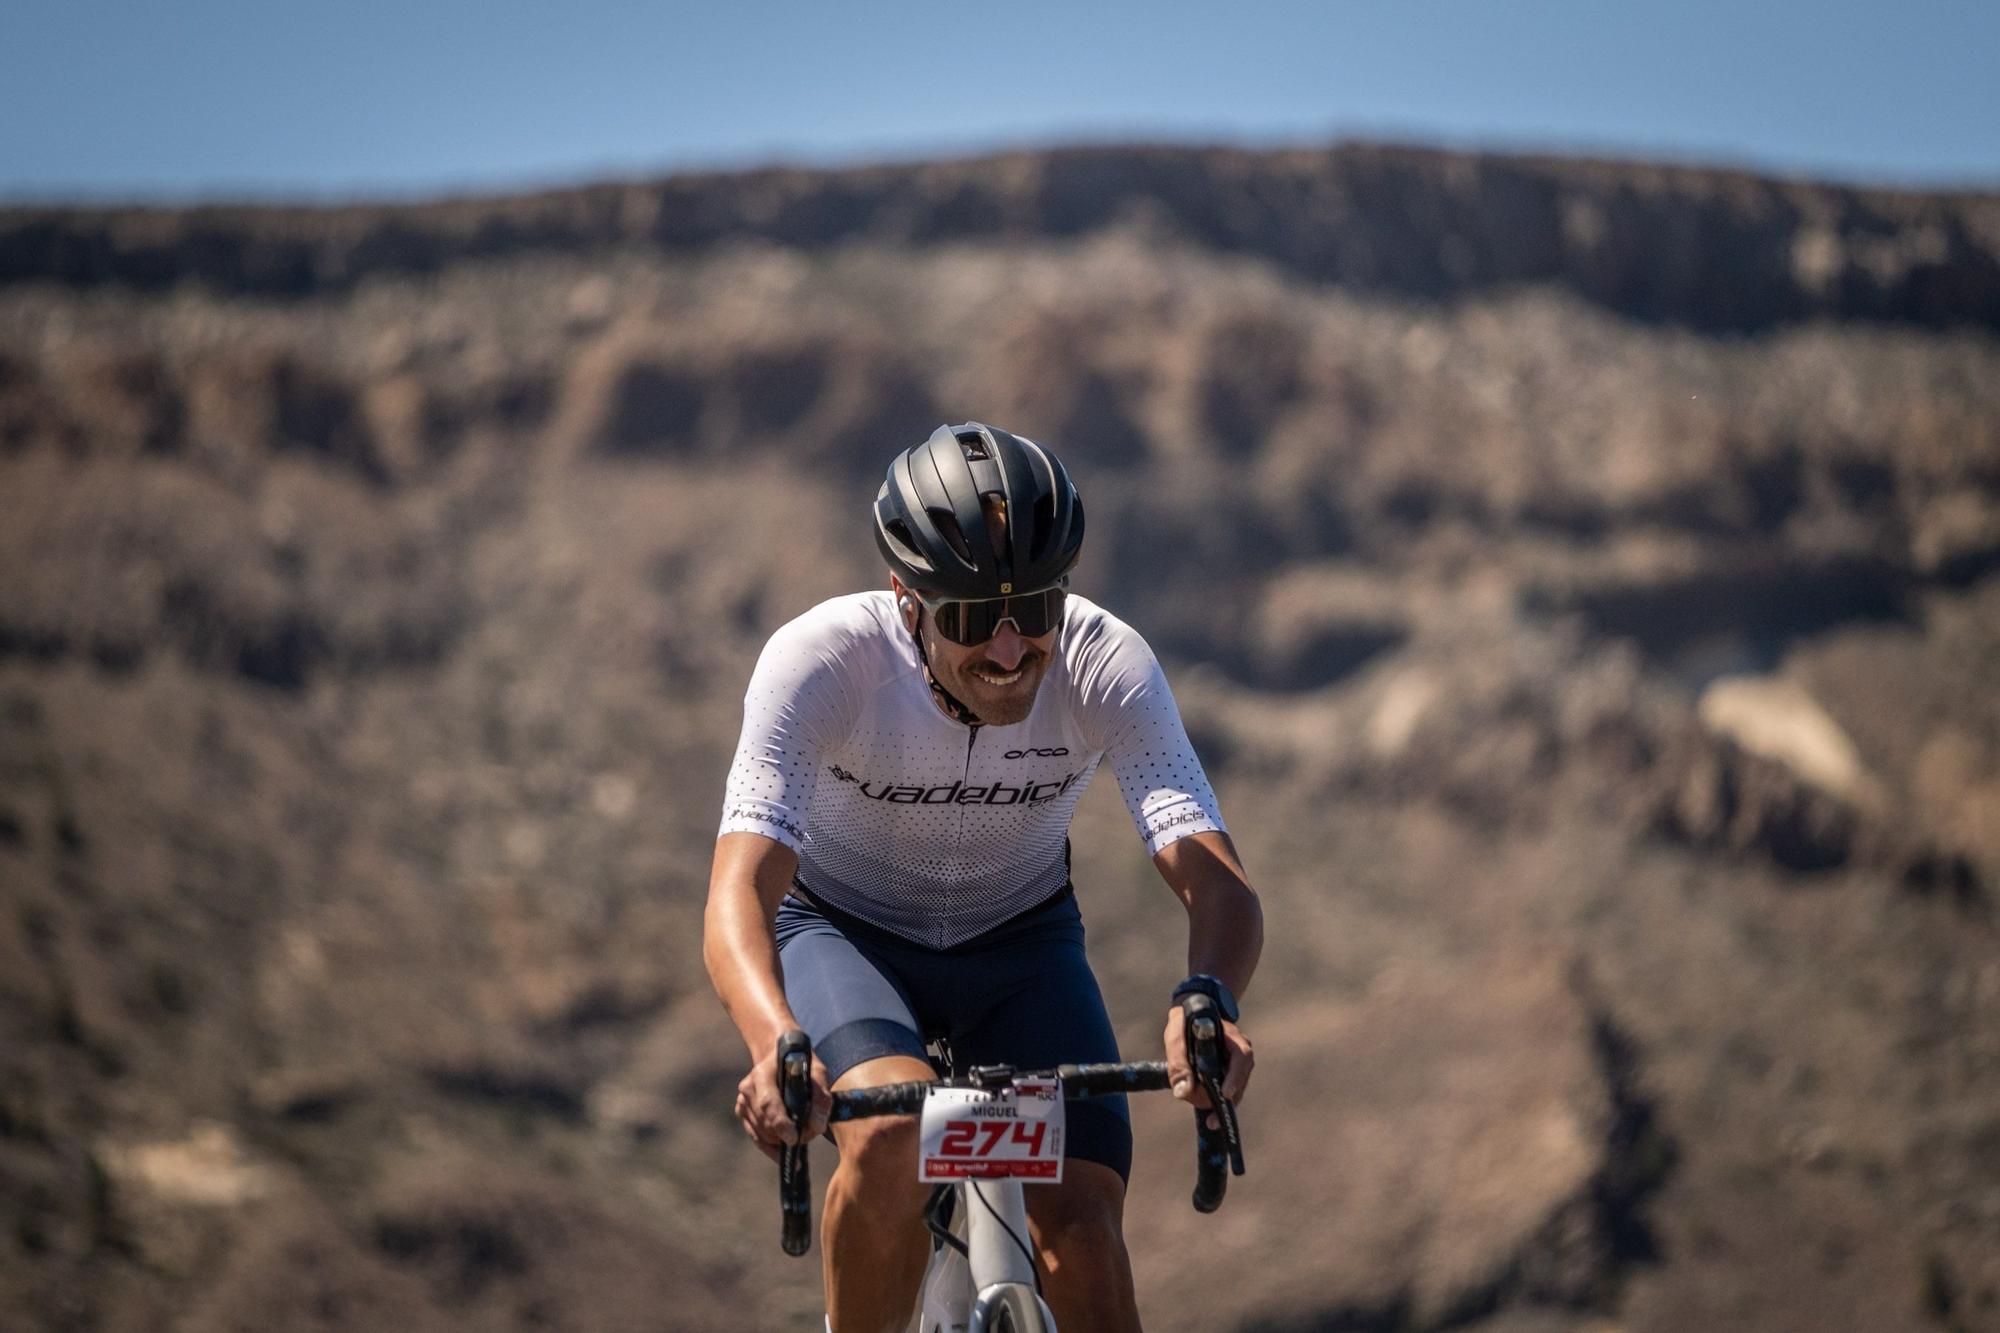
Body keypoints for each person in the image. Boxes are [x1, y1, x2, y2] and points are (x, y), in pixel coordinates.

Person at [704, 422, 1262, 1332]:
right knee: (888, 1142)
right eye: (968, 618)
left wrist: (1209, 999)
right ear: (904, 597)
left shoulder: (1103, 662)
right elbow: (739, 891)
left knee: (1081, 1235)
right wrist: (774, 1042)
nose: (1008, 650)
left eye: (1034, 609)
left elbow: (1220, 881)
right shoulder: (822, 662)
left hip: (1021, 948)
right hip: (848, 937)